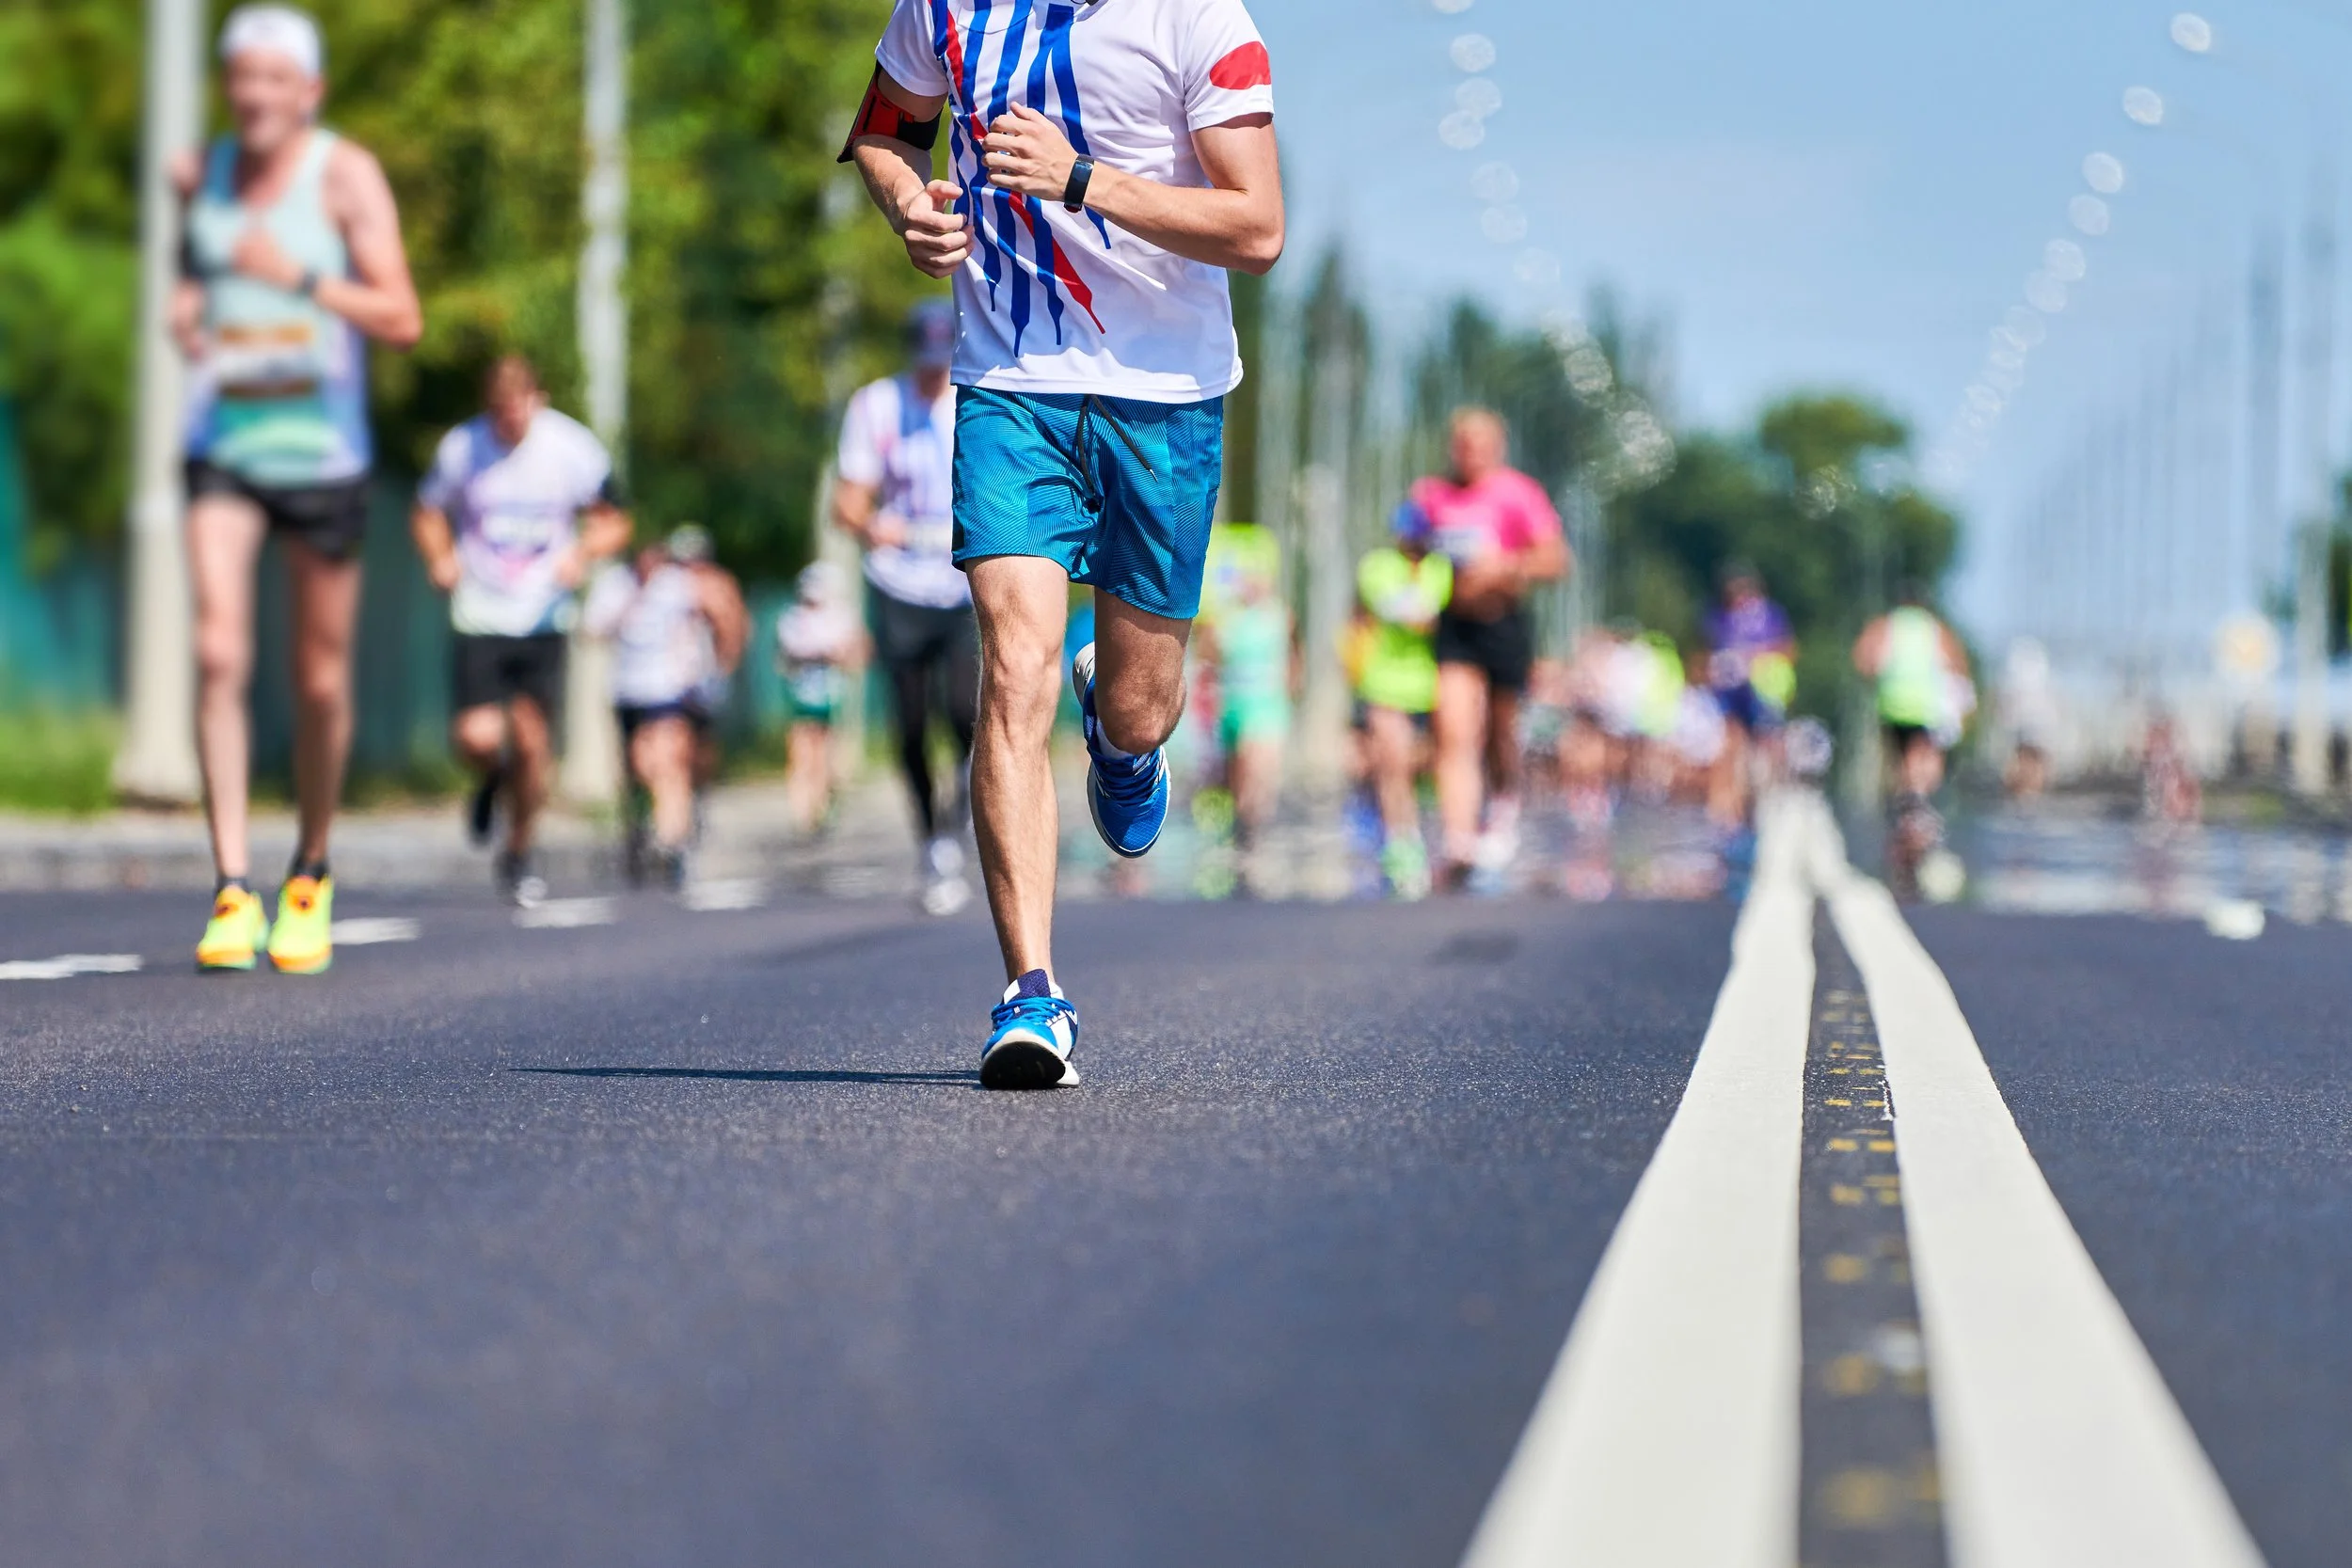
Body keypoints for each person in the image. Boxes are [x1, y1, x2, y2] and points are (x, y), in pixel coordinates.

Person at [846, 0, 1282, 1087]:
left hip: (1164, 397)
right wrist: (909, 208)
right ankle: (1030, 992)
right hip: (1010, 381)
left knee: (1140, 707)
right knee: (1012, 665)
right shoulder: (945, 9)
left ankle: (1122, 738)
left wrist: (1080, 180)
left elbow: (1257, 229)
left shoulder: (1198, 19)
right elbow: (884, 130)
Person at [180, 5, 421, 973]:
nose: (255, 94)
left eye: (275, 78)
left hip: (322, 455)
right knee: (217, 649)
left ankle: (311, 868)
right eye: (242, 76)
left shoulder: (345, 174)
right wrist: (188, 311)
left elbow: (401, 316)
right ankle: (232, 885)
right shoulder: (202, 174)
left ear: (309, 91)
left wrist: (301, 279)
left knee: (319, 678)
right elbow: (194, 281)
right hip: (224, 445)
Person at [411, 356, 628, 907]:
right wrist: (440, 558)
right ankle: (494, 779)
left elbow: (616, 519)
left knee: (533, 742)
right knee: (477, 737)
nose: (509, 423)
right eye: (499, 413)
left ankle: (520, 850)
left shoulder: (571, 447)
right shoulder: (462, 448)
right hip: (481, 608)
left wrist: (583, 552)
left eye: (518, 411)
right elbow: (427, 510)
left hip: (543, 612)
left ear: (538, 400)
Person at [832, 300, 977, 916]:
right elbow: (847, 500)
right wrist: (871, 525)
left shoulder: (975, 398)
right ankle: (930, 836)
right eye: (926, 360)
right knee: (912, 723)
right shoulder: (876, 406)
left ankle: (958, 816)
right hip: (900, 582)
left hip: (964, 582)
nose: (934, 373)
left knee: (966, 714)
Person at [1406, 408, 1569, 890]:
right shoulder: (1432, 494)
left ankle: (1503, 802)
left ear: (1498, 447)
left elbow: (1556, 560)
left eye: (1480, 444)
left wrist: (1507, 566)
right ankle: (1459, 839)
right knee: (1453, 729)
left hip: (1503, 623)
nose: (1470, 453)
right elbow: (1408, 545)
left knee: (1500, 731)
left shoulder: (1519, 493)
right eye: (1462, 444)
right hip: (1454, 625)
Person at [583, 529, 744, 889]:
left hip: (670, 687)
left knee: (670, 760)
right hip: (629, 689)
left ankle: (673, 841)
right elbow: (592, 629)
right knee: (639, 766)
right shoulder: (616, 585)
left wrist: (720, 659)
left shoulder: (679, 583)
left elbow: (722, 609)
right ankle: (641, 828)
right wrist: (629, 604)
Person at [1355, 508, 1454, 898]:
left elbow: (1428, 612)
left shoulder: (1440, 568)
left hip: (1431, 684)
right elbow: (1411, 614)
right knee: (1392, 765)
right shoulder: (1377, 566)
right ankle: (1402, 844)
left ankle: (1423, 832)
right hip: (1386, 684)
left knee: (1427, 768)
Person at [1853, 585, 1971, 894]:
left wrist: (1881, 676)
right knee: (1923, 756)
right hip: (1927, 706)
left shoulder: (1887, 625)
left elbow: (1864, 660)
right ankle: (1917, 799)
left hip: (1893, 705)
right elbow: (1958, 666)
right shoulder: (1935, 630)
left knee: (1900, 760)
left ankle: (1907, 800)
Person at [1197, 546, 1292, 856]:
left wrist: (1291, 686)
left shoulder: (1279, 615)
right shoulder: (1229, 618)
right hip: (1236, 704)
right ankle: (1244, 823)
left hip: (1268, 705)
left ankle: (1256, 822)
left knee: (1261, 766)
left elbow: (1294, 655)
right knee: (1239, 771)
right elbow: (1209, 654)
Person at [775, 562, 870, 839]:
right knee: (802, 752)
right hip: (801, 695)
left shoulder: (840, 617)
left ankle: (824, 800)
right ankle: (804, 811)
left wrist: (838, 656)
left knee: (828, 752)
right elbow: (786, 655)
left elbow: (856, 652)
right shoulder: (792, 618)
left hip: (831, 694)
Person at [1703, 563, 1796, 827]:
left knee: (1768, 744)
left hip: (1763, 691)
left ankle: (1770, 799)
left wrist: (1755, 659)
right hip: (1732, 692)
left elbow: (1786, 649)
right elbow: (1711, 652)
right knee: (1732, 744)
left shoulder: (1770, 615)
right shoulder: (1722, 618)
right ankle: (1727, 807)